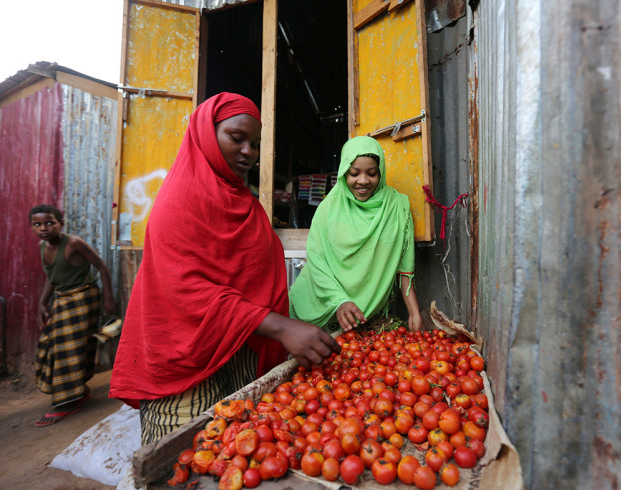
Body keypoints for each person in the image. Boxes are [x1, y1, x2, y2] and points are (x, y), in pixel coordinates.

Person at [109, 92, 340, 445]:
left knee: (238, 451)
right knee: (185, 458)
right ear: (205, 134)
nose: (249, 151)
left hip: (238, 348)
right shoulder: (178, 201)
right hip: (184, 357)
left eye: (256, 143)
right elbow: (183, 289)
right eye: (237, 138)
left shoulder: (245, 204)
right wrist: (279, 326)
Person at [289, 135, 423, 333]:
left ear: (381, 172)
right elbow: (317, 262)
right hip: (317, 310)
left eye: (372, 173)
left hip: (363, 317)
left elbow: (404, 268)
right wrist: (340, 301)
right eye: (354, 173)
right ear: (344, 172)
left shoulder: (397, 206)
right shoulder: (328, 208)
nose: (363, 181)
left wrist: (414, 313)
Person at [29, 204, 117, 426]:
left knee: (68, 348)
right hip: (63, 299)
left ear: (61, 224)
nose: (44, 228)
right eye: (37, 224)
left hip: (83, 297)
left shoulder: (73, 243)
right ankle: (77, 389)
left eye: (50, 223)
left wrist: (108, 296)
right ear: (32, 227)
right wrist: (42, 302)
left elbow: (101, 266)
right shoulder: (42, 246)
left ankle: (69, 402)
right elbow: (53, 275)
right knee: (49, 344)